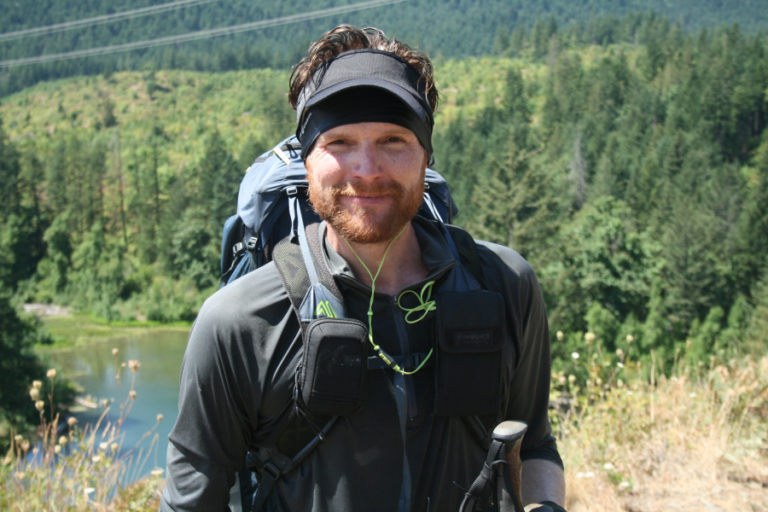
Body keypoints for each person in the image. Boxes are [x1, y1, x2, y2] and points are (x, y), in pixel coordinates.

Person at [160, 25, 566, 512]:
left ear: (425, 156)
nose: (367, 170)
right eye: (340, 142)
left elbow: (536, 443)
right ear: (307, 158)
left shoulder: (504, 284)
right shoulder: (238, 323)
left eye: (393, 140)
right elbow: (191, 501)